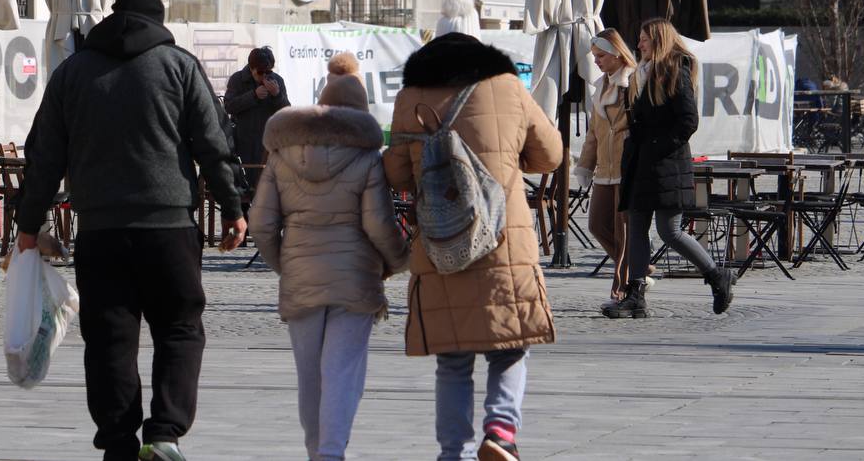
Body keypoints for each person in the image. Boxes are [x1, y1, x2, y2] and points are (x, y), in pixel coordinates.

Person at [16, 0, 247, 461]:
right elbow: (214, 143)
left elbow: (44, 155)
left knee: (108, 339)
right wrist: (233, 208)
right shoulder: (179, 66)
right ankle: (163, 434)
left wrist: (28, 223)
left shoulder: (72, 72)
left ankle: (118, 441)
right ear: (158, 19)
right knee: (180, 328)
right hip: (169, 229)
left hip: (100, 231)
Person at [385, 32, 563, 461]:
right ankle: (501, 432)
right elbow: (551, 154)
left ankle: (451, 452)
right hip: (503, 241)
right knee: (508, 347)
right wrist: (505, 157)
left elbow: (396, 174)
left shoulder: (411, 97)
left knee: (451, 360)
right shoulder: (507, 86)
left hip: (440, 244)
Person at [250, 53, 409, 461]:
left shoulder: (283, 153)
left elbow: (262, 224)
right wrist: (397, 262)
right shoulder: (366, 157)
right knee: (341, 373)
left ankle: (314, 451)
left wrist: (286, 266)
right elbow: (378, 225)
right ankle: (331, 453)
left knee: (310, 377)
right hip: (355, 277)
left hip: (301, 276)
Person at [604, 19, 736, 320]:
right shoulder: (644, 73)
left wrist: (657, 147)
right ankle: (635, 296)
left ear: (659, 39)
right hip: (642, 163)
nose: (638, 45)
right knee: (635, 227)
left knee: (670, 230)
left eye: (643, 39)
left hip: (666, 164)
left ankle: (717, 276)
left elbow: (688, 121)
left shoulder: (675, 69)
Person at [574, 28, 648, 309]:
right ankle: (640, 268)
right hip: (604, 170)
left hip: (627, 168)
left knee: (624, 231)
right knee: (596, 224)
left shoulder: (633, 81)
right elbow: (594, 133)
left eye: (601, 55)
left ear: (617, 53)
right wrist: (584, 166)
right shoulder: (600, 86)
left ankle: (621, 289)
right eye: (595, 56)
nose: (596, 61)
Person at [223, 46, 290, 177]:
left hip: (268, 142)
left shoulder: (277, 80)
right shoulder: (237, 79)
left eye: (268, 72)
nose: (264, 76)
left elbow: (286, 112)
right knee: (247, 182)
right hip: (243, 140)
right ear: (251, 68)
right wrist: (253, 96)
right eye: (260, 72)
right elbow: (229, 106)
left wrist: (277, 95)